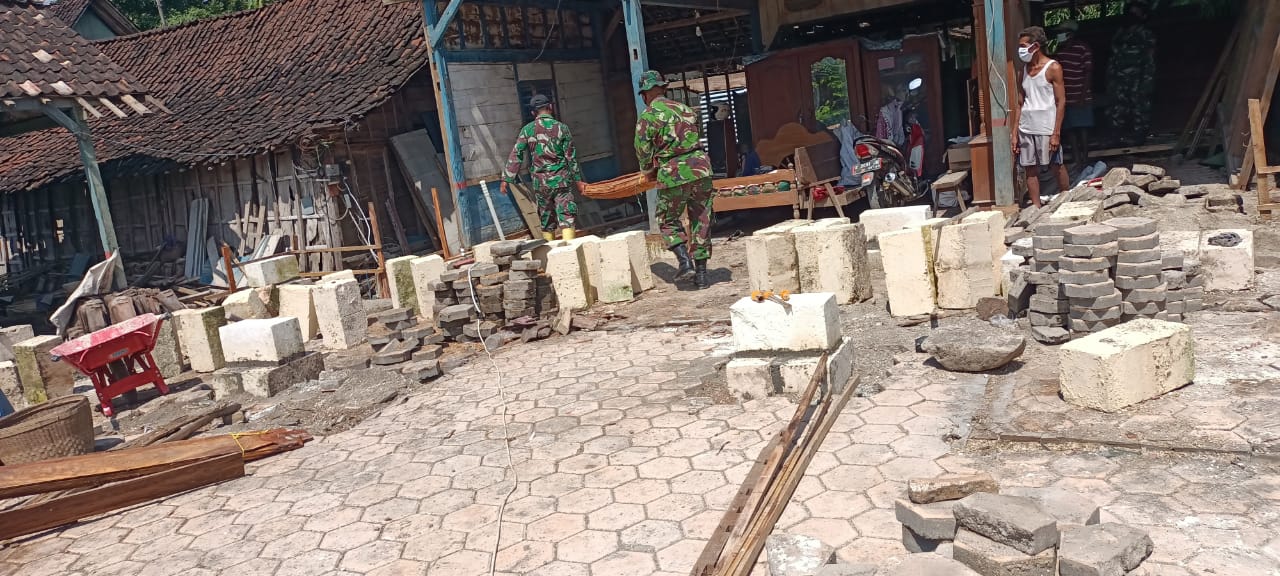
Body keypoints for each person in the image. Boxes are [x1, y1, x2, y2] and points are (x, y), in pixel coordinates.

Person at [634, 70, 715, 289]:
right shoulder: (686, 110)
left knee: (667, 218)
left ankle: (684, 262)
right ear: (663, 88)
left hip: (673, 173)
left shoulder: (648, 116)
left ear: (644, 94)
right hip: (701, 169)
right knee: (701, 219)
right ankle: (702, 275)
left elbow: (643, 151)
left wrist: (647, 171)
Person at [501, 94, 586, 241]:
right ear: (550, 107)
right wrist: (579, 181)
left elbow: (517, 154)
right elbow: (571, 158)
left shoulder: (527, 130)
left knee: (546, 220)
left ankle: (550, 253)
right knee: (566, 217)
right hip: (561, 182)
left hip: (541, 184)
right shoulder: (562, 128)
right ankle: (570, 253)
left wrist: (506, 179)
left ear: (533, 112)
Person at [1010, 26, 1069, 208]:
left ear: (1035, 46)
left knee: (1055, 165)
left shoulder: (1053, 68)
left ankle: (1067, 200)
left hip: (1046, 127)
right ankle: (1036, 208)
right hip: (1026, 127)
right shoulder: (1023, 72)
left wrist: (1056, 133)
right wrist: (1014, 133)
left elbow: (1061, 102)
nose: (1020, 50)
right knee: (1030, 169)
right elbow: (1020, 104)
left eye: (1023, 46)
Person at [1106, 0, 1156, 145]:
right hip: (1119, 78)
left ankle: (1139, 137)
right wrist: (1111, 78)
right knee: (1117, 107)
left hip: (1138, 78)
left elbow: (1150, 59)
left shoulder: (1146, 34)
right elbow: (1113, 57)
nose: (1132, 15)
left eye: (1136, 12)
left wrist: (1147, 81)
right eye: (1131, 12)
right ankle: (1115, 137)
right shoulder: (1120, 33)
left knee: (1139, 106)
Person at [1053, 20, 1094, 170]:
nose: (1059, 35)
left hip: (1082, 96)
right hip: (1066, 98)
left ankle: (1085, 158)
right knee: (1070, 129)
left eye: (1061, 32)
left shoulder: (1083, 48)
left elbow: (1088, 72)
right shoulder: (1059, 51)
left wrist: (1083, 95)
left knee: (1083, 128)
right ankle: (1077, 159)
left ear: (1070, 34)